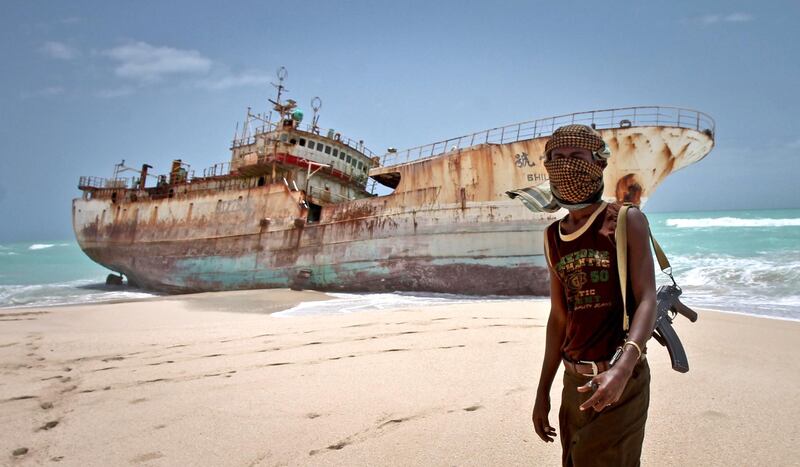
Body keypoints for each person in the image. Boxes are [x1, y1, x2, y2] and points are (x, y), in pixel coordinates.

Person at [531, 125, 657, 467]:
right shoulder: (552, 236)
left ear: (598, 163)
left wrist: (623, 368)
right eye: (556, 158)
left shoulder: (625, 220)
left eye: (576, 156)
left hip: (621, 378)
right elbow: (559, 317)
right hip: (574, 381)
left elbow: (647, 297)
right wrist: (543, 391)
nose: (565, 164)